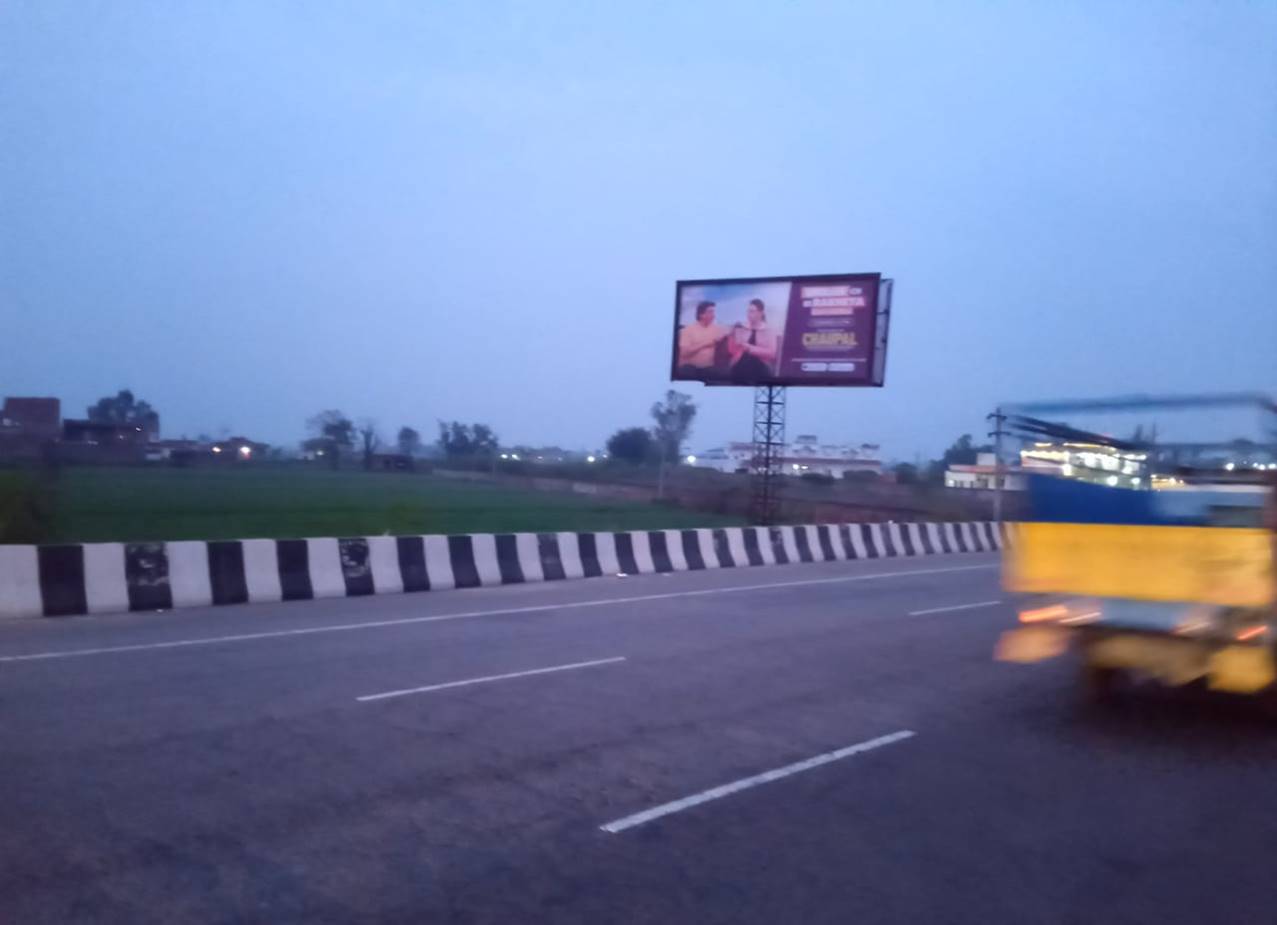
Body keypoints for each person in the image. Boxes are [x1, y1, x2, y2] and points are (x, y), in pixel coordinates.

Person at [728, 298, 779, 383]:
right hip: (740, 365)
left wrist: (750, 348)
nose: (748, 314)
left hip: (760, 366)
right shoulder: (741, 328)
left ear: (761, 313)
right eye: (748, 311)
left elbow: (772, 353)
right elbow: (732, 351)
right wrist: (732, 336)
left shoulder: (769, 330)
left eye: (752, 311)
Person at [677, 301, 728, 377]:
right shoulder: (687, 330)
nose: (714, 315)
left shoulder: (717, 329)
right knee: (686, 371)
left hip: (708, 369)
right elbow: (684, 353)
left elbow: (729, 333)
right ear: (701, 315)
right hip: (689, 368)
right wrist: (707, 343)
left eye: (713, 312)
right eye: (710, 312)